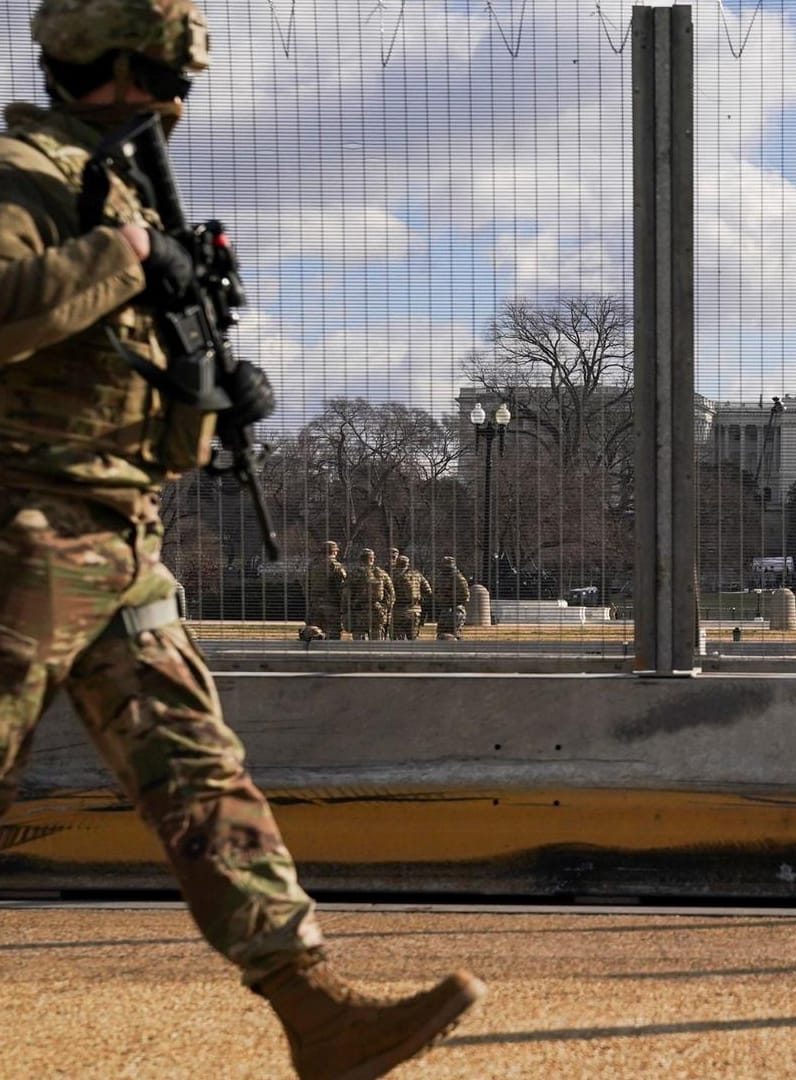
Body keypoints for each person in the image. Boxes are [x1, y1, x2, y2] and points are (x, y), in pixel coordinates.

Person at [0, 2, 483, 1075]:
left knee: (200, 775)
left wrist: (207, 399)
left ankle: (315, 1010)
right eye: (174, 76)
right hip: (19, 532)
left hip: (116, 542)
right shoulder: (26, 172)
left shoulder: (124, 194)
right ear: (132, 65)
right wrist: (125, 256)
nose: (180, 103)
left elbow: (118, 406)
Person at [302, 540, 346, 642]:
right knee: (333, 636)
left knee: (314, 635)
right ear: (334, 552)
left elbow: (305, 584)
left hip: (314, 606)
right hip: (331, 607)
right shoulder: (335, 566)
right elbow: (342, 587)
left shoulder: (312, 566)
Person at [351, 548, 395, 641]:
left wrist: (346, 611)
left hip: (359, 611)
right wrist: (387, 610)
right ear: (372, 559)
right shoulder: (382, 574)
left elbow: (346, 594)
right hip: (377, 611)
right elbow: (391, 594)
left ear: (361, 559)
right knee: (377, 641)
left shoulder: (354, 574)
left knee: (358, 643)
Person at [389, 554, 431, 641]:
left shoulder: (392, 575)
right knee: (413, 639)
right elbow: (428, 591)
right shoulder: (417, 575)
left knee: (397, 640)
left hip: (398, 611)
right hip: (415, 611)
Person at [434, 555, 471, 641]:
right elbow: (436, 591)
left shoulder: (458, 578)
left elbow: (465, 595)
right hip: (445, 609)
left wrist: (454, 600)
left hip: (456, 608)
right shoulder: (440, 577)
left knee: (454, 634)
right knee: (441, 634)